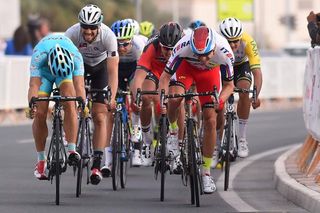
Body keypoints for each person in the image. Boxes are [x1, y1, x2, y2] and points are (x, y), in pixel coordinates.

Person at [158, 26, 235, 193]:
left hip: (210, 75)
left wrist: (220, 100)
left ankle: (206, 173)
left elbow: (229, 85)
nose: (203, 59)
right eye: (198, 55)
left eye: (207, 54)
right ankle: (173, 133)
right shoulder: (182, 46)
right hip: (186, 70)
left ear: (214, 47)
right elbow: (164, 77)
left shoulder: (225, 51)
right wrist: (162, 98)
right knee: (175, 97)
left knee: (211, 118)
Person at [65, 4, 119, 185]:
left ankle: (97, 164)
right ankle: (71, 138)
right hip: (78, 66)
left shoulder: (108, 36)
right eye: (85, 27)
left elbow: (113, 71)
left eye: (92, 28)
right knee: (70, 101)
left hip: (100, 68)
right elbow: (63, 63)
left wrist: (111, 97)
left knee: (100, 115)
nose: (87, 32)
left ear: (99, 26)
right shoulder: (71, 34)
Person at [26, 33, 86, 180]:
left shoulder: (76, 57)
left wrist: (82, 104)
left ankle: (71, 149)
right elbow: (33, 84)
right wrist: (31, 105)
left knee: (71, 102)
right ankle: (41, 160)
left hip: (64, 73)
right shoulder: (39, 55)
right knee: (40, 111)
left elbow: (79, 86)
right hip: (45, 73)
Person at [130, 22, 184, 168]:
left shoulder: (185, 46)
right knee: (146, 96)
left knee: (178, 99)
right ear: (160, 44)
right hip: (156, 71)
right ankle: (147, 143)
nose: (168, 53)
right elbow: (139, 76)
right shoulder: (152, 46)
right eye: (165, 49)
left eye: (172, 50)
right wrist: (137, 96)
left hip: (176, 73)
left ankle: (177, 145)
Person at [100, 19, 145, 173]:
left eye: (125, 44)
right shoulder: (109, 46)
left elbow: (142, 72)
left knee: (137, 98)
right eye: (118, 44)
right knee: (110, 113)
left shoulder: (140, 47)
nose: (122, 47)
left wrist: (136, 95)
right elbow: (107, 71)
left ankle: (136, 139)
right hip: (116, 70)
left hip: (134, 70)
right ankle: (108, 161)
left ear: (132, 40)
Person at [218, 17, 262, 159]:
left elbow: (257, 72)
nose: (232, 44)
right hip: (222, 65)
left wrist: (255, 96)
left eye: (235, 41)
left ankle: (242, 139)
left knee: (244, 90)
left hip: (241, 66)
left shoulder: (248, 41)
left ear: (240, 37)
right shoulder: (216, 42)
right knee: (218, 98)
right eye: (229, 41)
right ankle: (216, 140)